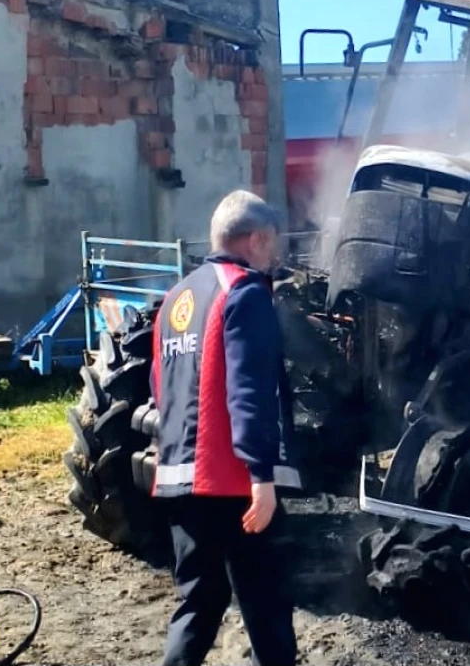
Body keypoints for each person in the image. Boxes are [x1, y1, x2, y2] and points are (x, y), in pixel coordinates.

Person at [149, 189, 303, 666]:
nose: (274, 252)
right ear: (254, 239)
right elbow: (249, 390)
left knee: (199, 600)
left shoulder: (179, 295)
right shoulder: (246, 292)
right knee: (266, 601)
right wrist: (262, 478)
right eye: (271, 241)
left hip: (177, 475)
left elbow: (160, 387)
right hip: (231, 483)